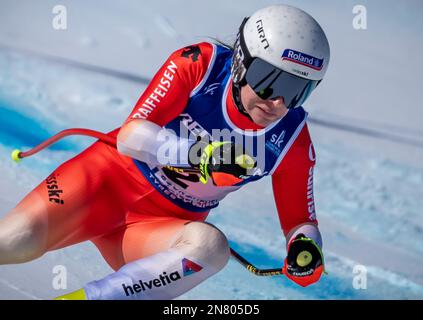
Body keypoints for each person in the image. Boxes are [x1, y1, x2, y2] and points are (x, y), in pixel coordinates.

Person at [0, 4, 330, 299]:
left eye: (297, 91)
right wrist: (202, 156)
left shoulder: (291, 139)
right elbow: (131, 136)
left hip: (154, 230)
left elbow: (301, 220)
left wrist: (306, 246)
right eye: (269, 81)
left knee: (211, 248)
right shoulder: (201, 65)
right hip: (103, 183)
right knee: (17, 241)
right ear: (242, 62)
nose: (278, 103)